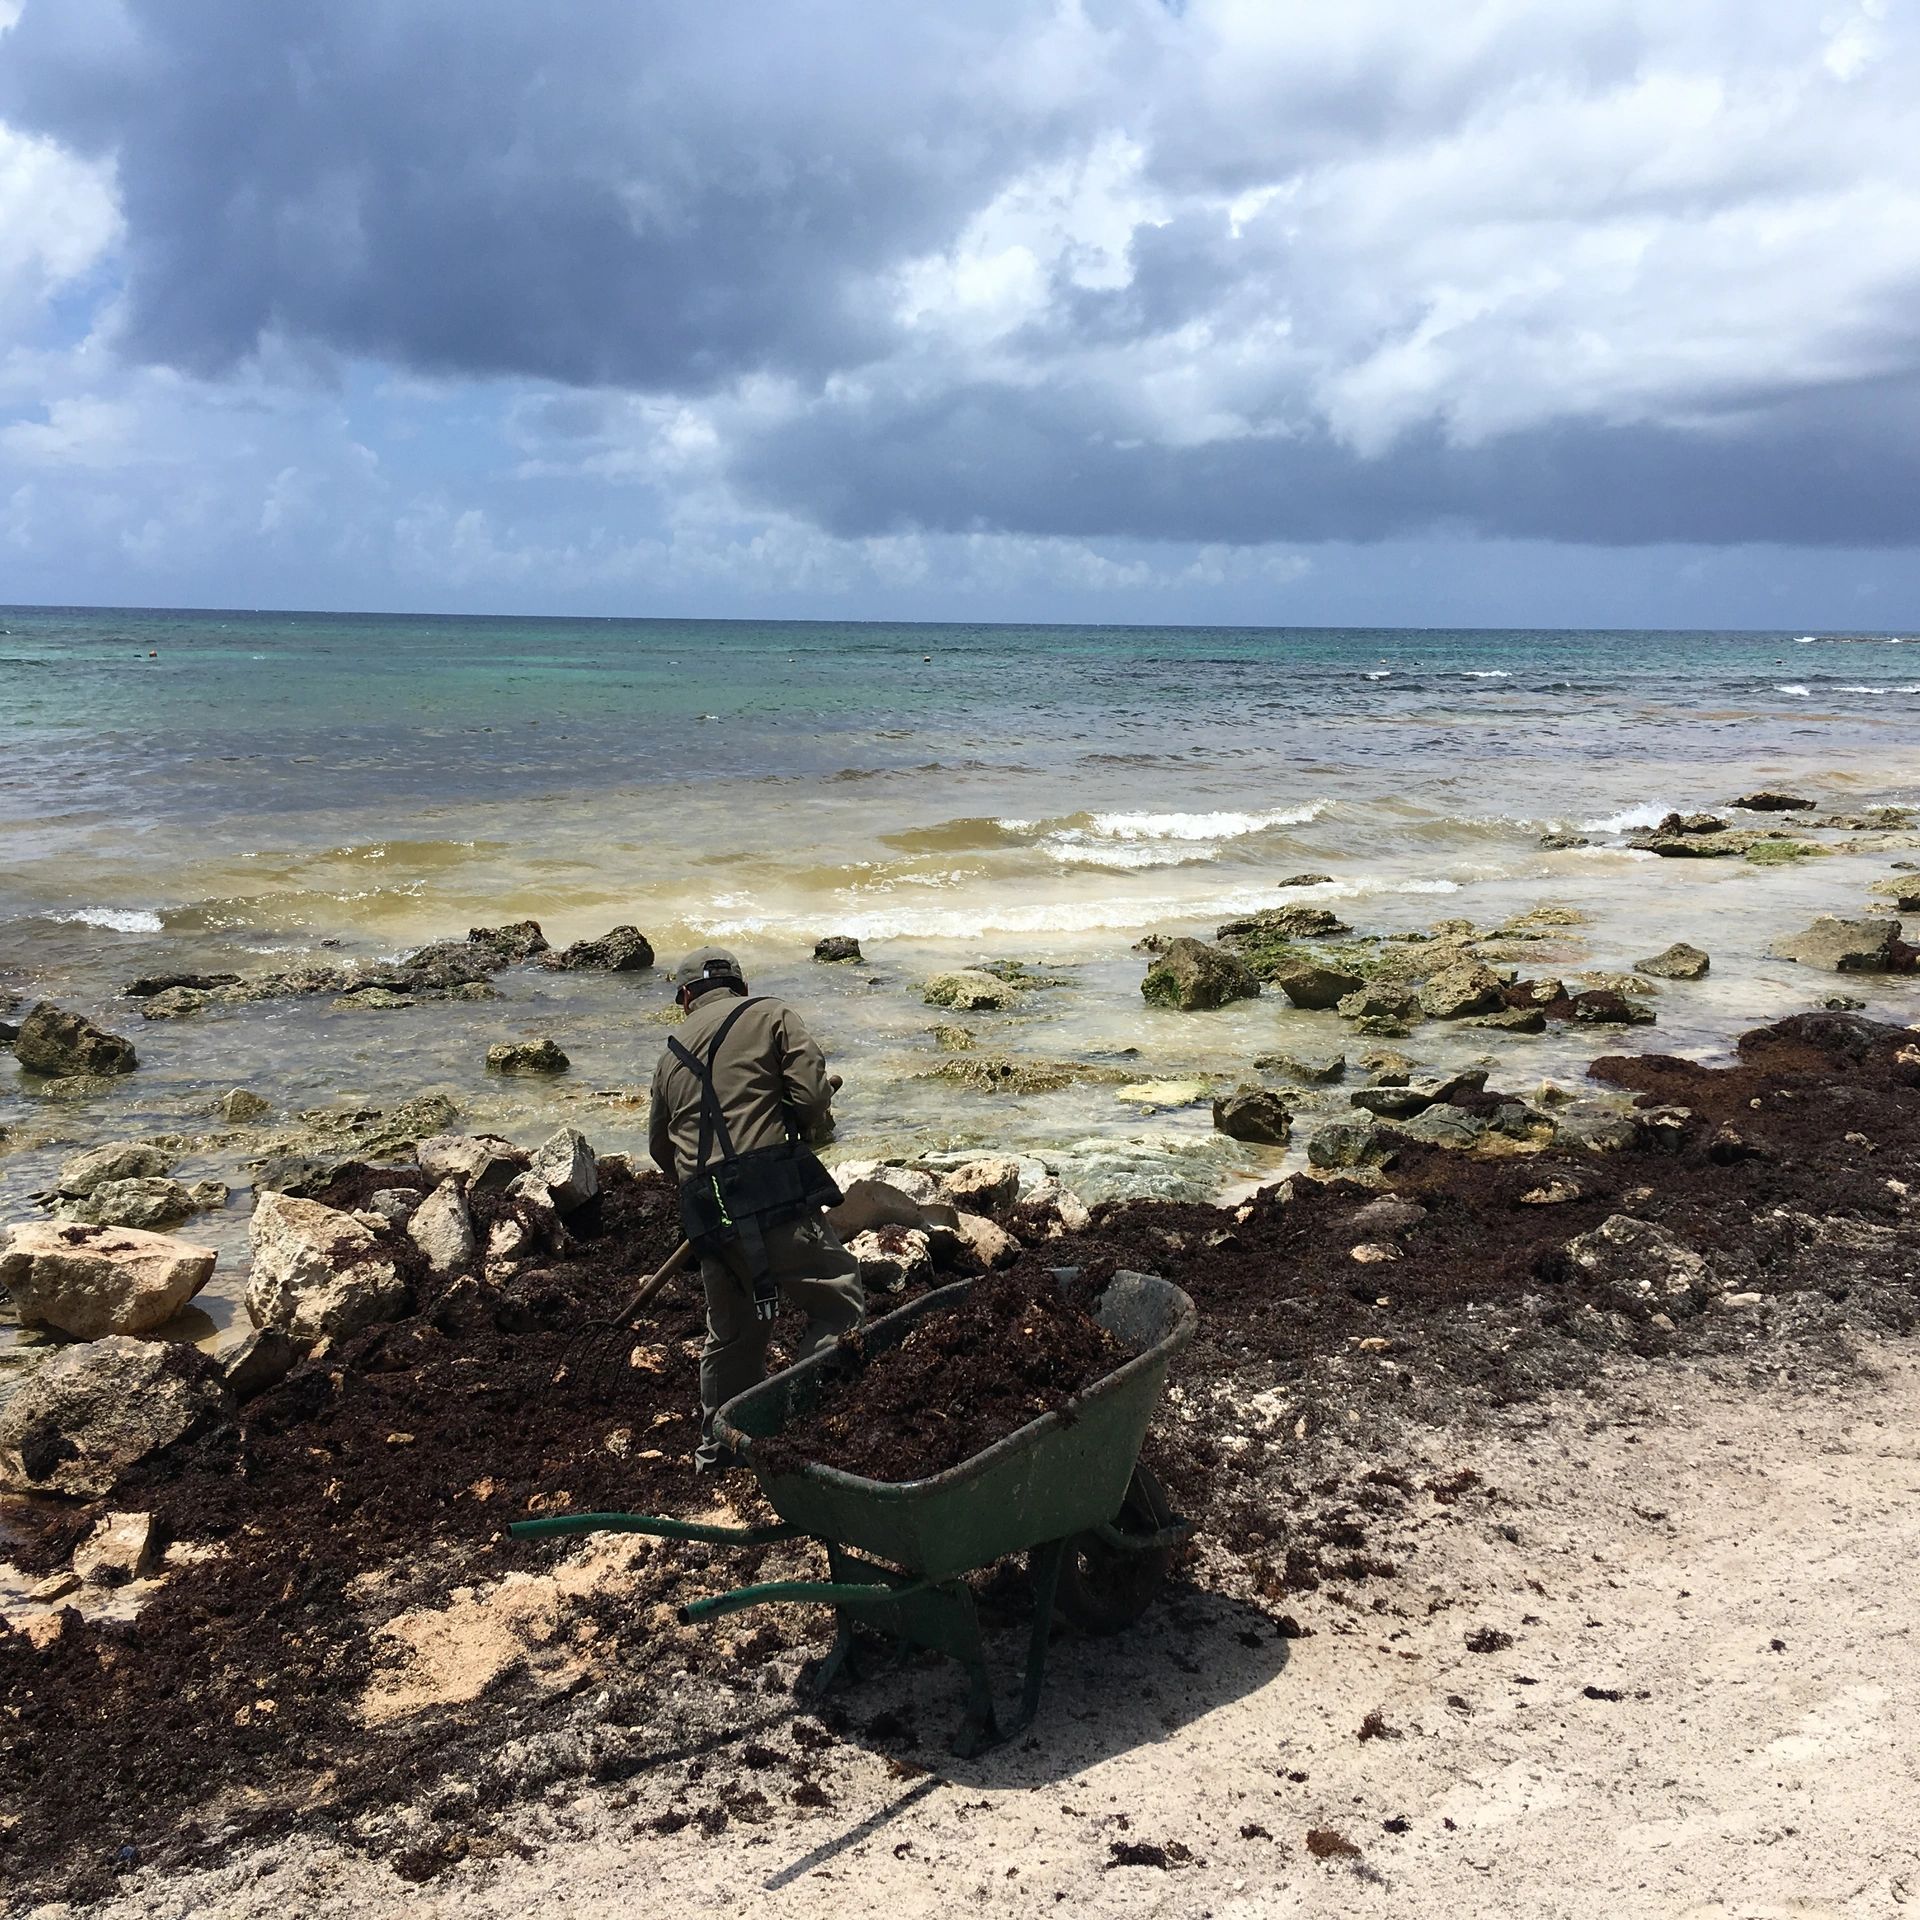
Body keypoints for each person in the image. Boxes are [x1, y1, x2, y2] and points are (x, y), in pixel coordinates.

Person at [648, 947, 864, 1471]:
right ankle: (807, 1421)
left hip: (707, 1207)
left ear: (684, 998)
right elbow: (812, 1099)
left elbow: (660, 1149)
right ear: (739, 986)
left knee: (734, 1334)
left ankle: (719, 1449)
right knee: (838, 1304)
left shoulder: (669, 1056)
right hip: (771, 1191)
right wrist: (810, 1124)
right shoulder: (772, 1014)